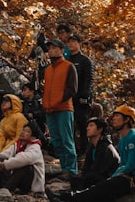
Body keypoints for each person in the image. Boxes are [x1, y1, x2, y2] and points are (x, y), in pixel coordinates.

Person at [45, 105, 135, 202]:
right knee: (100, 191)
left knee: (101, 188)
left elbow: (131, 164)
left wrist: (114, 177)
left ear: (127, 119)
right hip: (124, 176)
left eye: (117, 116)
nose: (113, 119)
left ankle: (67, 197)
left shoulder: (134, 137)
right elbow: (122, 163)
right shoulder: (123, 139)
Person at [42, 38, 78, 177]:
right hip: (50, 110)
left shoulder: (69, 66)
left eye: (55, 48)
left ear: (62, 50)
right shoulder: (48, 69)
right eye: (50, 49)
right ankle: (64, 168)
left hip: (64, 109)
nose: (51, 51)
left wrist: (58, 100)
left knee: (67, 140)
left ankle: (72, 170)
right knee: (56, 141)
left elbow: (72, 89)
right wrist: (46, 104)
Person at [0, 124, 45, 194]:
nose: (22, 132)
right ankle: (2, 186)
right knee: (1, 159)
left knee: (26, 167)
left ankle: (7, 189)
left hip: (30, 183)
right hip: (15, 176)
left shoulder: (35, 147)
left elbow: (25, 159)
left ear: (33, 137)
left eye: (27, 131)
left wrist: (6, 164)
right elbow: (1, 155)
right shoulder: (17, 145)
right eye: (23, 130)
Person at [70, 117, 119, 191]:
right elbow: (86, 168)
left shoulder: (105, 146)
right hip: (96, 176)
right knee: (76, 179)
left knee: (89, 178)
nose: (88, 128)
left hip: (108, 179)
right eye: (88, 126)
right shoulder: (92, 147)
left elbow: (99, 170)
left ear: (100, 129)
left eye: (91, 125)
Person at [66, 33, 94, 154]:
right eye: (69, 42)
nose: (71, 44)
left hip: (81, 99)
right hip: (69, 98)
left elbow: (89, 79)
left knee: (83, 125)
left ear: (79, 44)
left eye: (74, 41)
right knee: (69, 125)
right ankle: (72, 150)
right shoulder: (67, 61)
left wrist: (84, 95)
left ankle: (85, 150)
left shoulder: (85, 60)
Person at [0, 93, 28, 158]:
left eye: (7, 101)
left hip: (19, 146)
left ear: (14, 102)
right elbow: (1, 137)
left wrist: (4, 150)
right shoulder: (4, 120)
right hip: (9, 144)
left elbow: (20, 137)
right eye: (3, 101)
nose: (3, 103)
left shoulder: (20, 117)